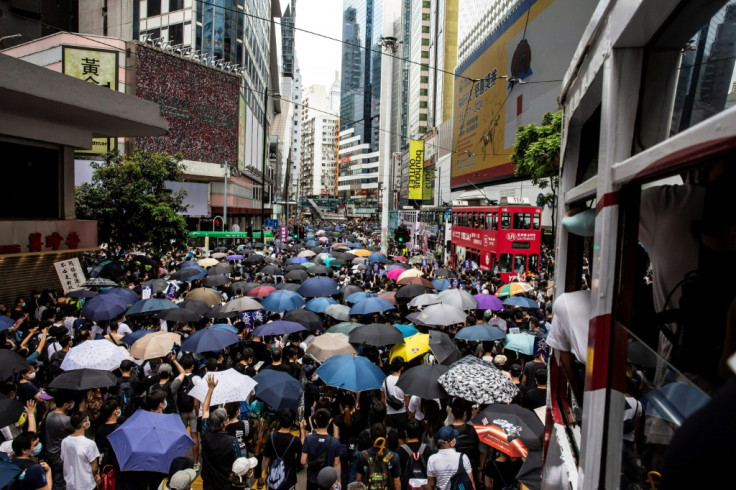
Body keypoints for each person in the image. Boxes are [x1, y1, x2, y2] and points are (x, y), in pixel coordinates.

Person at [200, 375, 242, 490]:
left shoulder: (205, 434)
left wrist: (210, 389)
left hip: (208, 482)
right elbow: (238, 465)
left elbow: (205, 410)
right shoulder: (232, 442)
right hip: (225, 483)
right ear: (224, 423)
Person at [261, 408, 304, 490]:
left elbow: (267, 458)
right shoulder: (295, 440)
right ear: (293, 422)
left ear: (279, 420)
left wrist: (266, 472)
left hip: (273, 476)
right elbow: (302, 453)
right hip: (289, 477)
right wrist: (302, 430)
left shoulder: (271, 436)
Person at [302, 409, 341, 490]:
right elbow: (336, 463)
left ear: (315, 421)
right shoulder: (335, 441)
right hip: (328, 480)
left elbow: (302, 461)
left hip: (312, 478)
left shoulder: (309, 439)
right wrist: (338, 481)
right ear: (330, 421)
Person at [60, 411, 100, 490]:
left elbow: (64, 461)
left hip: (70, 485)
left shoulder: (64, 441)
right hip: (87, 486)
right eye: (88, 421)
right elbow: (94, 468)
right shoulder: (90, 444)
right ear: (84, 425)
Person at [44, 390, 75, 490]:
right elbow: (76, 430)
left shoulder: (49, 415)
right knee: (60, 481)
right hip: (60, 456)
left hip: (50, 452)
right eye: (70, 403)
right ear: (66, 405)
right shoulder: (66, 420)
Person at [356, 423, 401, 490]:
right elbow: (396, 481)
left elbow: (359, 479)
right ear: (386, 436)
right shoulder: (394, 457)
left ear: (370, 436)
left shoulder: (362, 455)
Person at [333, 393, 364, 488]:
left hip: (341, 448)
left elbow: (335, 437)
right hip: (354, 447)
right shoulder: (358, 416)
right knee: (352, 473)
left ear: (341, 405)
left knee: (343, 472)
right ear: (353, 405)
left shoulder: (337, 419)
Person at [381, 358, 408, 439]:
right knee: (401, 437)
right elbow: (407, 402)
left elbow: (383, 399)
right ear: (402, 367)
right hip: (402, 413)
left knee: (390, 438)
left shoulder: (385, 380)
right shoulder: (404, 380)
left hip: (389, 414)